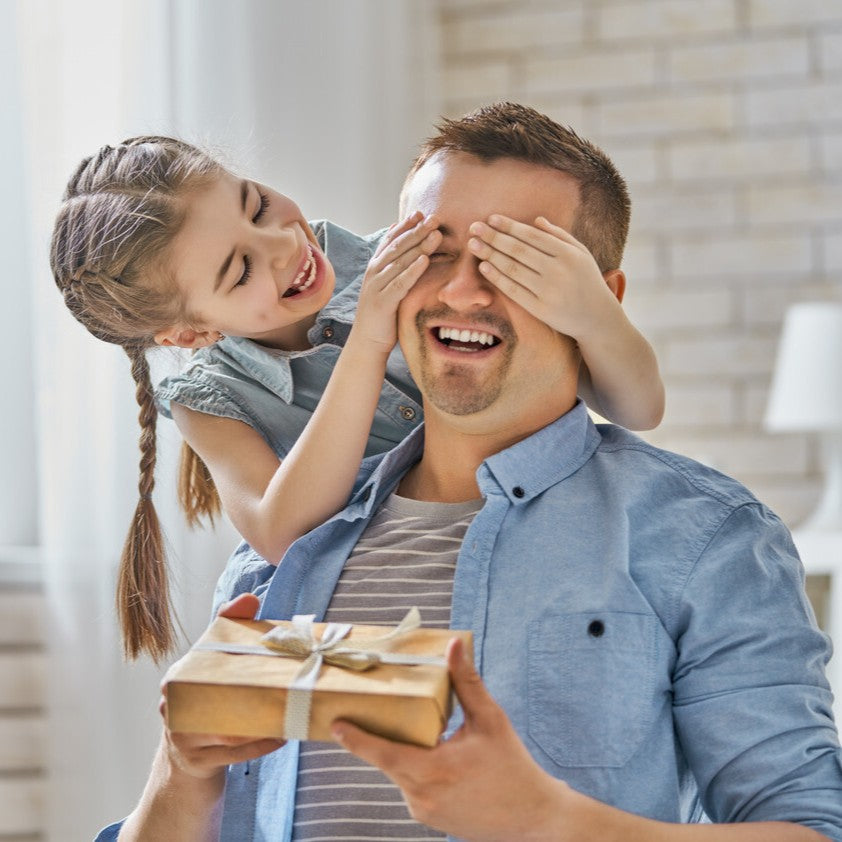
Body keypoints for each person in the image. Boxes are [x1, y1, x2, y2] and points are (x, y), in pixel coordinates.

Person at [100, 103, 842, 841]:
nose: (462, 291)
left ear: (597, 301)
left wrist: (553, 823)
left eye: (516, 260)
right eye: (434, 251)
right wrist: (180, 772)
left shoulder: (700, 541)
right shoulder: (274, 568)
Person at [50, 132, 665, 661]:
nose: (283, 247)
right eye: (240, 270)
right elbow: (280, 530)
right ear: (190, 332)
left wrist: (594, 315)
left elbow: (638, 409)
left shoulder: (407, 259)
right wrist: (369, 338)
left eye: (258, 206)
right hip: (363, 604)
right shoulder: (207, 397)